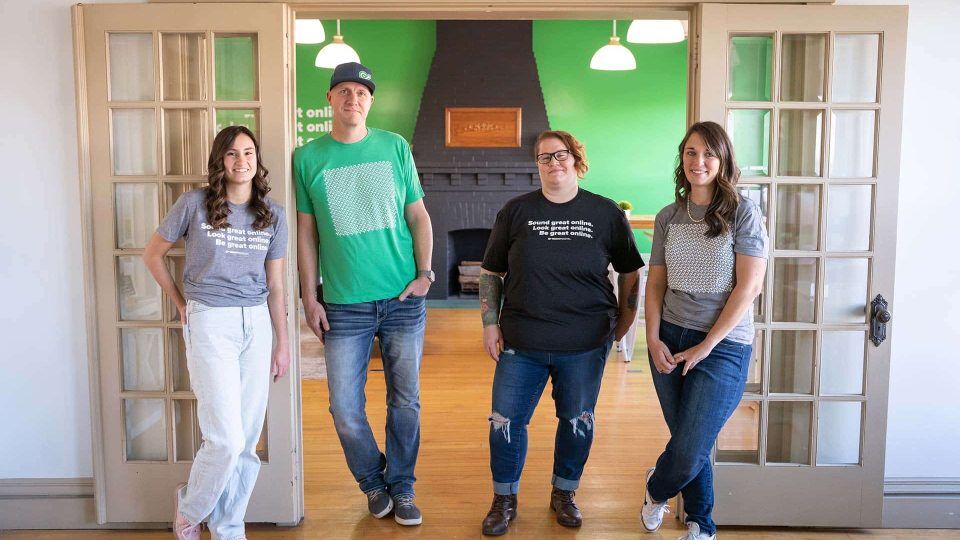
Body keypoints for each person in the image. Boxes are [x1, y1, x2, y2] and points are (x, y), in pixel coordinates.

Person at [478, 130, 644, 535]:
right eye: (543, 157)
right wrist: (488, 323)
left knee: (576, 421)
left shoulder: (605, 213)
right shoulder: (515, 211)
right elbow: (490, 271)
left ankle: (564, 493)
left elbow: (631, 271)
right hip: (522, 341)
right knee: (505, 422)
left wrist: (625, 321)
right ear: (536, 165)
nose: (553, 163)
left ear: (577, 160)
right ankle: (504, 498)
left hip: (585, 342)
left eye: (561, 155)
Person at [294, 62, 434, 526]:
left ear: (370, 101)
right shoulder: (307, 158)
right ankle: (375, 482)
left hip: (401, 300)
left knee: (405, 402)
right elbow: (306, 234)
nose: (353, 98)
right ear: (330, 99)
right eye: (344, 91)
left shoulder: (394, 147)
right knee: (344, 408)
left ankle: (404, 487)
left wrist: (425, 274)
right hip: (342, 304)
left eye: (362, 92)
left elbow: (418, 217)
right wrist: (308, 297)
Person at [142, 125, 289, 540]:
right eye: (231, 154)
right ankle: (190, 510)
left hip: (256, 323)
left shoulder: (272, 214)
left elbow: (276, 285)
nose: (241, 161)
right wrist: (181, 303)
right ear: (220, 161)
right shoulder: (194, 204)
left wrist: (281, 342)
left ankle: (228, 528)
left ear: (257, 161)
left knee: (246, 442)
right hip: (211, 321)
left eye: (248, 153)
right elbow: (152, 255)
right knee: (224, 438)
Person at [640, 121, 768, 540]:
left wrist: (706, 345)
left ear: (723, 159)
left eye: (709, 153)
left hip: (724, 345)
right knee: (687, 439)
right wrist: (653, 339)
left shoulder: (743, 212)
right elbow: (656, 283)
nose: (699, 161)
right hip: (671, 338)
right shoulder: (668, 216)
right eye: (692, 152)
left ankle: (657, 489)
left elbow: (749, 287)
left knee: (691, 445)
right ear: (682, 158)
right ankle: (701, 525)